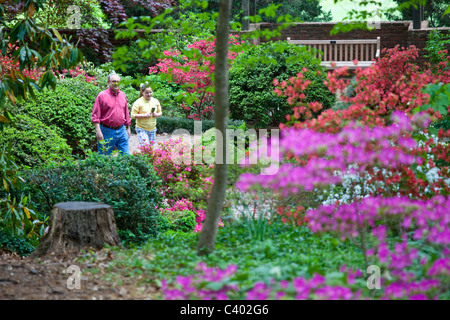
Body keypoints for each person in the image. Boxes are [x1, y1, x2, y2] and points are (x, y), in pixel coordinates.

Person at [91, 72, 131, 155]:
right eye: (113, 81)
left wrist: (128, 127)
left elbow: (126, 112)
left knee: (126, 157)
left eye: (118, 81)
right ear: (108, 82)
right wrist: (98, 131)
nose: (116, 83)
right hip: (106, 131)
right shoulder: (101, 96)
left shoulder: (123, 95)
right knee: (104, 157)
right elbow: (95, 115)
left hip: (122, 130)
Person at [131, 82, 162, 147]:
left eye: (150, 92)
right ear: (142, 92)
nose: (149, 94)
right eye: (147, 93)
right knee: (145, 147)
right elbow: (133, 115)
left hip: (152, 129)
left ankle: (145, 157)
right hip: (141, 128)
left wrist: (156, 114)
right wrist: (144, 115)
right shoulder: (138, 102)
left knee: (150, 149)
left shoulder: (155, 101)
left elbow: (160, 113)